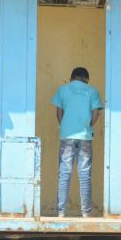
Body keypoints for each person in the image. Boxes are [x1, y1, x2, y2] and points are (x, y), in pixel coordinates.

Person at [51, 67, 103, 217]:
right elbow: (95, 113)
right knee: (85, 174)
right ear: (86, 79)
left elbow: (59, 112)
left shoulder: (63, 89)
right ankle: (86, 214)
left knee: (64, 173)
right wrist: (88, 126)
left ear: (71, 78)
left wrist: (64, 126)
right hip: (85, 137)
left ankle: (61, 213)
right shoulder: (92, 91)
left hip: (67, 136)